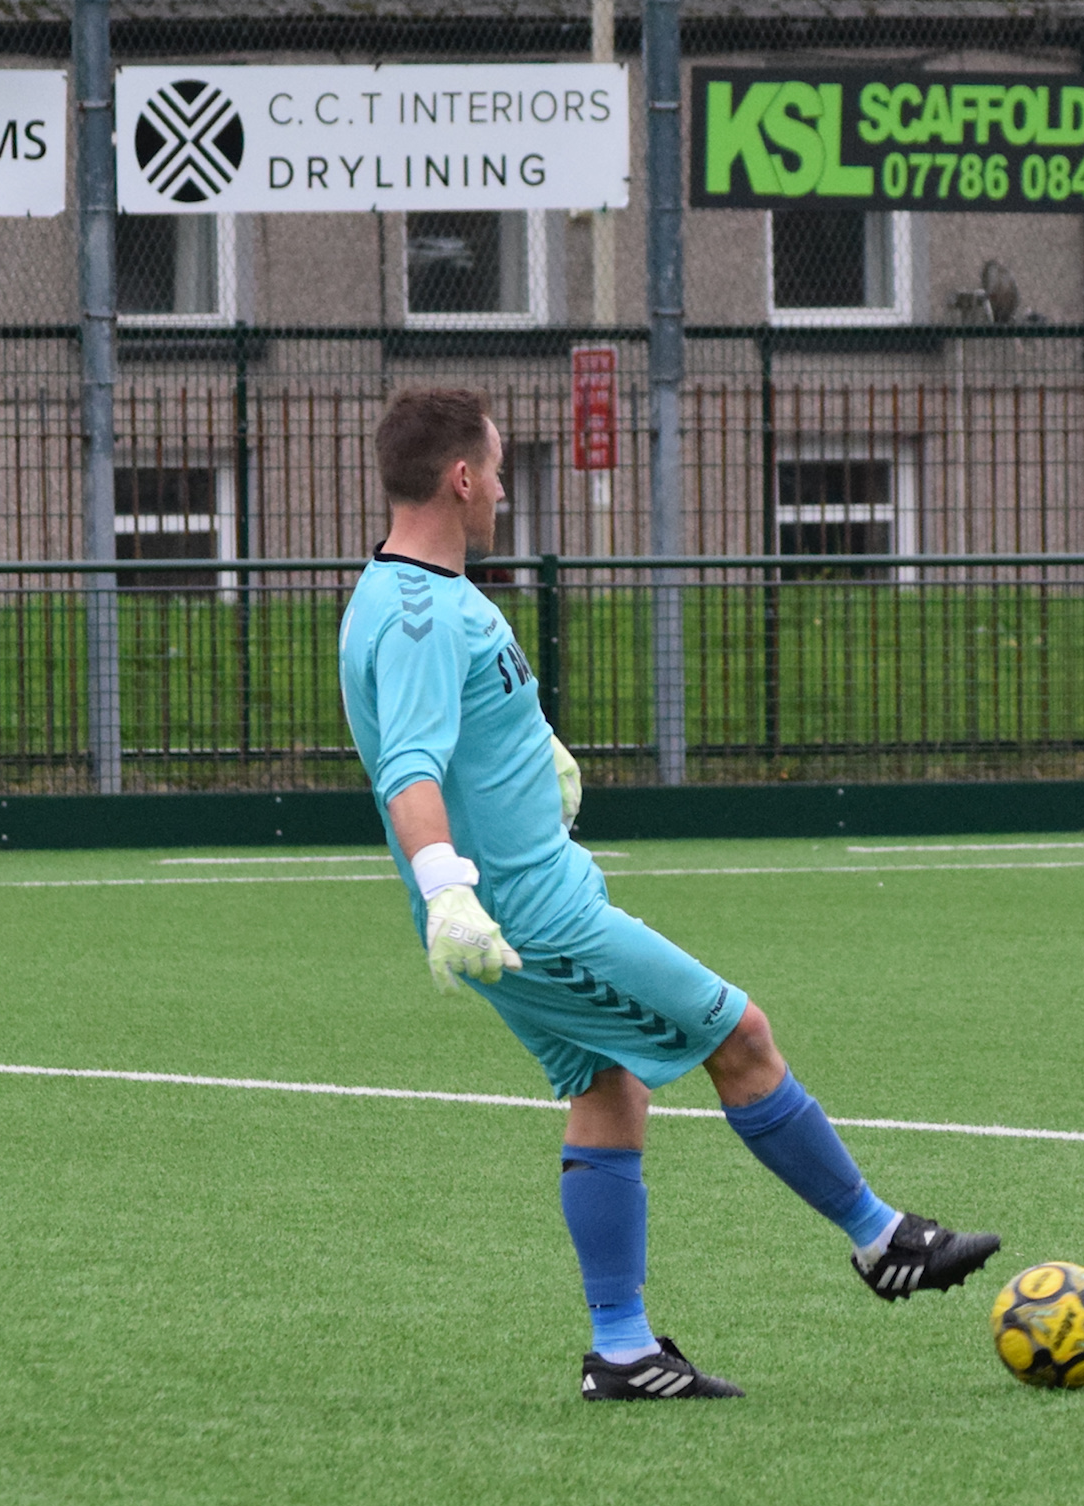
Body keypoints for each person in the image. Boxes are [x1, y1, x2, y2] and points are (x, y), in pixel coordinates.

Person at [340, 388, 1000, 1401]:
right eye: (499, 471)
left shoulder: (415, 592)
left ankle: (623, 1349)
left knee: (609, 1086)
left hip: (527, 906)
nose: (504, 491)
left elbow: (458, 735)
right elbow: (410, 772)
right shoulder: (420, 614)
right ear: (460, 478)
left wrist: (536, 754)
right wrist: (447, 894)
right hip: (535, 920)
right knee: (741, 1034)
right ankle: (880, 1240)